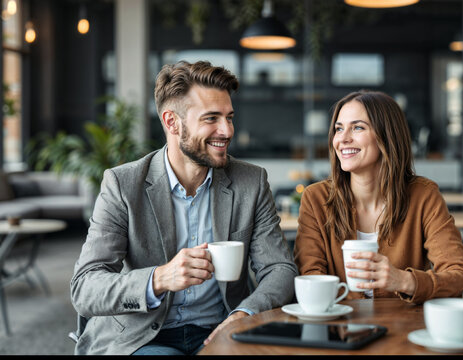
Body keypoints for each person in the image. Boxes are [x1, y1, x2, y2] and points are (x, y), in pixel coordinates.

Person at [70, 60, 297, 355]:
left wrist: (244, 314)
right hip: (145, 337)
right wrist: (159, 278)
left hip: (222, 329)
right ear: (171, 122)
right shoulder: (123, 185)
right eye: (211, 118)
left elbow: (279, 268)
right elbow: (85, 286)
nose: (226, 130)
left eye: (229, 117)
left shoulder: (250, 182)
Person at [294, 90, 463, 304]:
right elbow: (309, 276)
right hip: (339, 329)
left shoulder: (423, 196)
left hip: (404, 330)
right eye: (339, 129)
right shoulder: (316, 198)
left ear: (387, 136)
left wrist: (404, 281)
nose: (342, 139)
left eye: (358, 127)